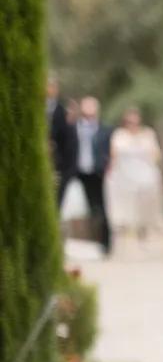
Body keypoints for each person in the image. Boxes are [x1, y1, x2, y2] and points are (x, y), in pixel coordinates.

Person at [106, 107, 163, 242]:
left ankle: (144, 226)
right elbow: (114, 154)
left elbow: (156, 154)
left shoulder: (148, 133)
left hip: (144, 173)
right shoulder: (119, 134)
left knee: (148, 194)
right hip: (124, 174)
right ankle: (126, 226)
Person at [73, 96, 113, 254]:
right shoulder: (73, 128)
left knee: (101, 209)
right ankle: (83, 243)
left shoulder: (106, 130)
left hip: (98, 173)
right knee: (80, 208)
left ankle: (104, 244)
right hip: (78, 173)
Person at [46, 75, 77, 205]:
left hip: (58, 165)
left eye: (52, 86)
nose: (48, 89)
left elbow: (70, 144)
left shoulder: (65, 113)